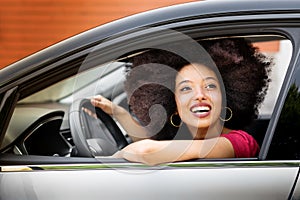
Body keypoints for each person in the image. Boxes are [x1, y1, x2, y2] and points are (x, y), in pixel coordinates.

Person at [89, 38, 272, 165]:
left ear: (226, 98)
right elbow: (147, 141)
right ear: (173, 106)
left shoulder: (240, 142)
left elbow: (148, 151)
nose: (200, 95)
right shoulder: (183, 139)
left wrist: (115, 158)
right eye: (186, 88)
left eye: (210, 86)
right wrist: (116, 111)